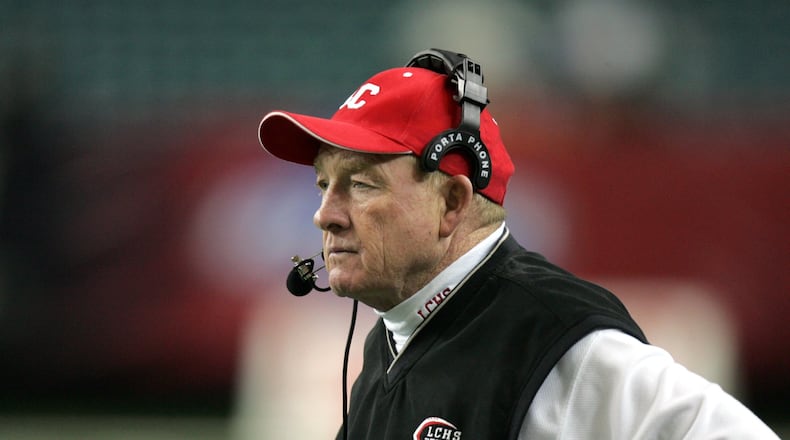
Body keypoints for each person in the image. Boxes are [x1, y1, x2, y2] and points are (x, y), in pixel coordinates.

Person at [256, 49, 779, 439]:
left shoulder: (550, 336)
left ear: (452, 203)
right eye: (325, 184)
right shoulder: (392, 338)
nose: (325, 214)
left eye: (362, 184)